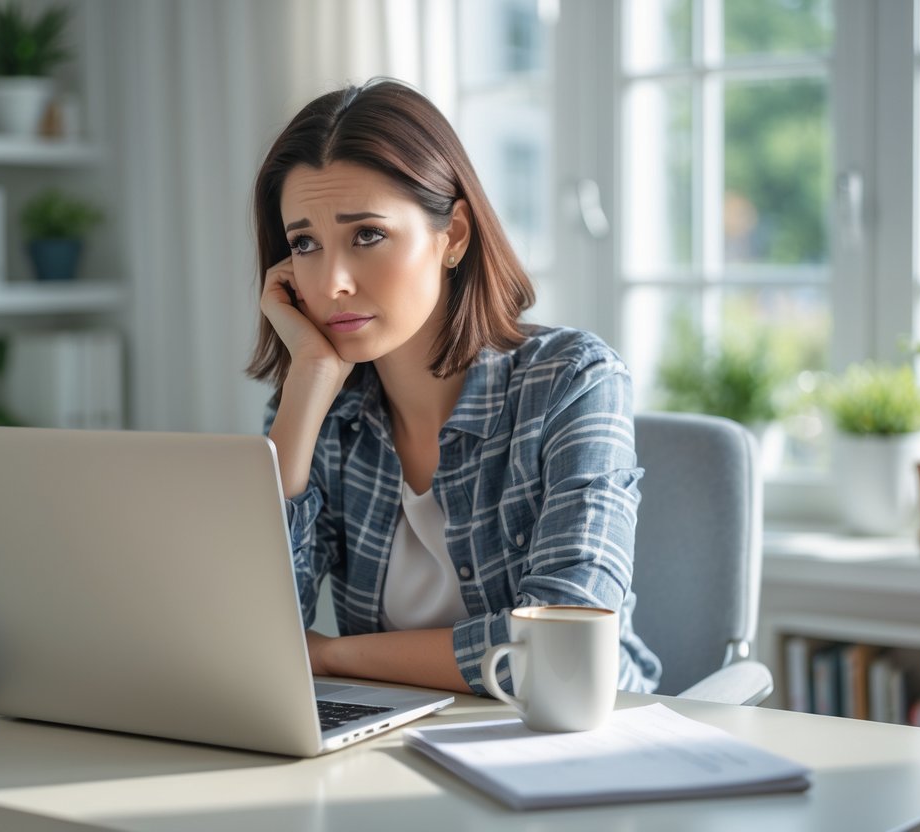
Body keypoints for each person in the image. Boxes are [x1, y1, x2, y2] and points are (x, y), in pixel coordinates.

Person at [247, 78, 661, 697]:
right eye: (304, 243)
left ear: (455, 235)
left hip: (583, 750)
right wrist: (306, 381)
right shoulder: (320, 413)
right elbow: (253, 638)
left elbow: (564, 653)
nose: (330, 281)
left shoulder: (573, 381)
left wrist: (332, 656)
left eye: (367, 235)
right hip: (399, 748)